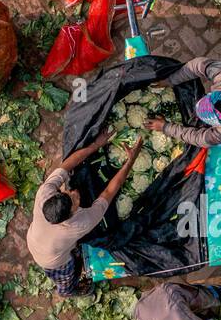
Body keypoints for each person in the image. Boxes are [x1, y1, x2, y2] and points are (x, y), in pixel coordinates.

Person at [26, 128, 145, 298]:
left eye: (68, 194)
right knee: (67, 276)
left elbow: (67, 164)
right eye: (75, 202)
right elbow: (108, 193)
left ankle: (70, 253)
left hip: (34, 238)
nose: (74, 193)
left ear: (56, 194)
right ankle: (70, 290)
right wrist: (130, 161)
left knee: (67, 248)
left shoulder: (44, 193)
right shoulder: (78, 225)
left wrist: (96, 145)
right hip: (52, 261)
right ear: (69, 217)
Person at [145, 56, 221, 160]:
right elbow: (198, 65)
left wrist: (166, 127)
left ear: (217, 123)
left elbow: (200, 138)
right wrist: (170, 80)